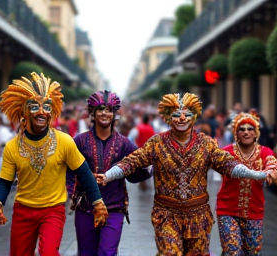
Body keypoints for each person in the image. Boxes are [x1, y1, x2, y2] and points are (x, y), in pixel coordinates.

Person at [95, 92, 273, 256]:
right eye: (176, 115)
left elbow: (226, 163)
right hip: (166, 214)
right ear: (168, 118)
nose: (181, 118)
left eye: (186, 114)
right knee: (170, 253)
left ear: (193, 117)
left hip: (198, 216)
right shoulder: (157, 143)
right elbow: (132, 161)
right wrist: (108, 175)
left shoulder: (206, 143)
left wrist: (256, 174)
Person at [0, 72, 108, 256]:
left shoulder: (64, 141)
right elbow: (4, 181)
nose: (42, 111)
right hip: (23, 211)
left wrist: (98, 203)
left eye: (47, 106)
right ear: (24, 111)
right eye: (35, 106)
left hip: (53, 211)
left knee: (48, 253)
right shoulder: (13, 146)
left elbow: (84, 174)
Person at [67, 90, 152, 256]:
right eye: (100, 109)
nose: (105, 113)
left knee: (107, 252)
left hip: (114, 208)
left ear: (114, 114)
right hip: (85, 208)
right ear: (93, 113)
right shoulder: (80, 141)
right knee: (86, 253)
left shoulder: (124, 143)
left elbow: (136, 169)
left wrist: (151, 166)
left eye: (109, 110)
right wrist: (71, 190)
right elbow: (68, 169)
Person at [216, 112, 277, 255]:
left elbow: (272, 169)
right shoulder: (226, 152)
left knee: (253, 252)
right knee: (232, 251)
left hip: (254, 211)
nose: (246, 132)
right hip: (227, 210)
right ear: (236, 133)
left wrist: (271, 174)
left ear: (256, 133)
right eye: (241, 129)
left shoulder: (265, 152)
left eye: (250, 129)